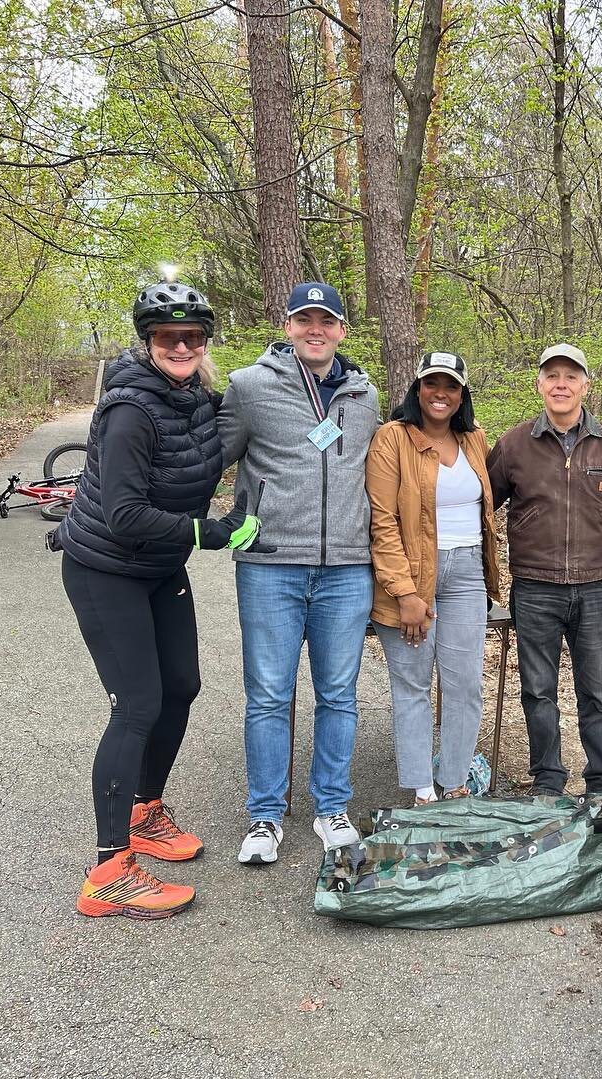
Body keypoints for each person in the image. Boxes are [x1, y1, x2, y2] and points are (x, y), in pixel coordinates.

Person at [57, 281, 269, 918]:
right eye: (167, 336)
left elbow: (235, 438)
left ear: (205, 343)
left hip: (159, 567)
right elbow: (122, 513)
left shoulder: (196, 402)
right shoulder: (130, 412)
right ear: (147, 341)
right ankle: (109, 871)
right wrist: (209, 531)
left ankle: (146, 809)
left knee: (181, 685)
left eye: (193, 336)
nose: (181, 346)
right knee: (137, 705)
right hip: (105, 568)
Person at [217, 282, 380, 865]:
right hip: (270, 567)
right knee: (268, 693)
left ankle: (331, 806)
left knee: (338, 693)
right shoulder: (249, 387)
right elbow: (210, 456)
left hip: (346, 569)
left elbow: (380, 475)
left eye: (327, 320)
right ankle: (264, 816)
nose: (316, 329)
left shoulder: (363, 395)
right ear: (287, 325)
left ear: (341, 329)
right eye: (305, 319)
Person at [486, 343, 602, 797]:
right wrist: (485, 575)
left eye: (571, 377)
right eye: (552, 376)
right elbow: (482, 509)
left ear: (586, 385)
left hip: (595, 587)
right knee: (538, 689)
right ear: (539, 384)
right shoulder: (514, 445)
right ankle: (548, 778)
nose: (561, 385)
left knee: (595, 690)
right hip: (535, 588)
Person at [366, 352, 501, 805]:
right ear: (417, 389)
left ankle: (456, 780)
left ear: (462, 394)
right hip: (410, 575)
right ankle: (423, 789)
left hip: (466, 573)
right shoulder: (393, 438)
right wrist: (404, 592)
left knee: (464, 683)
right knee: (413, 685)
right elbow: (381, 521)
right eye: (431, 384)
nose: (440, 394)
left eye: (451, 386)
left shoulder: (475, 440)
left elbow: (491, 507)